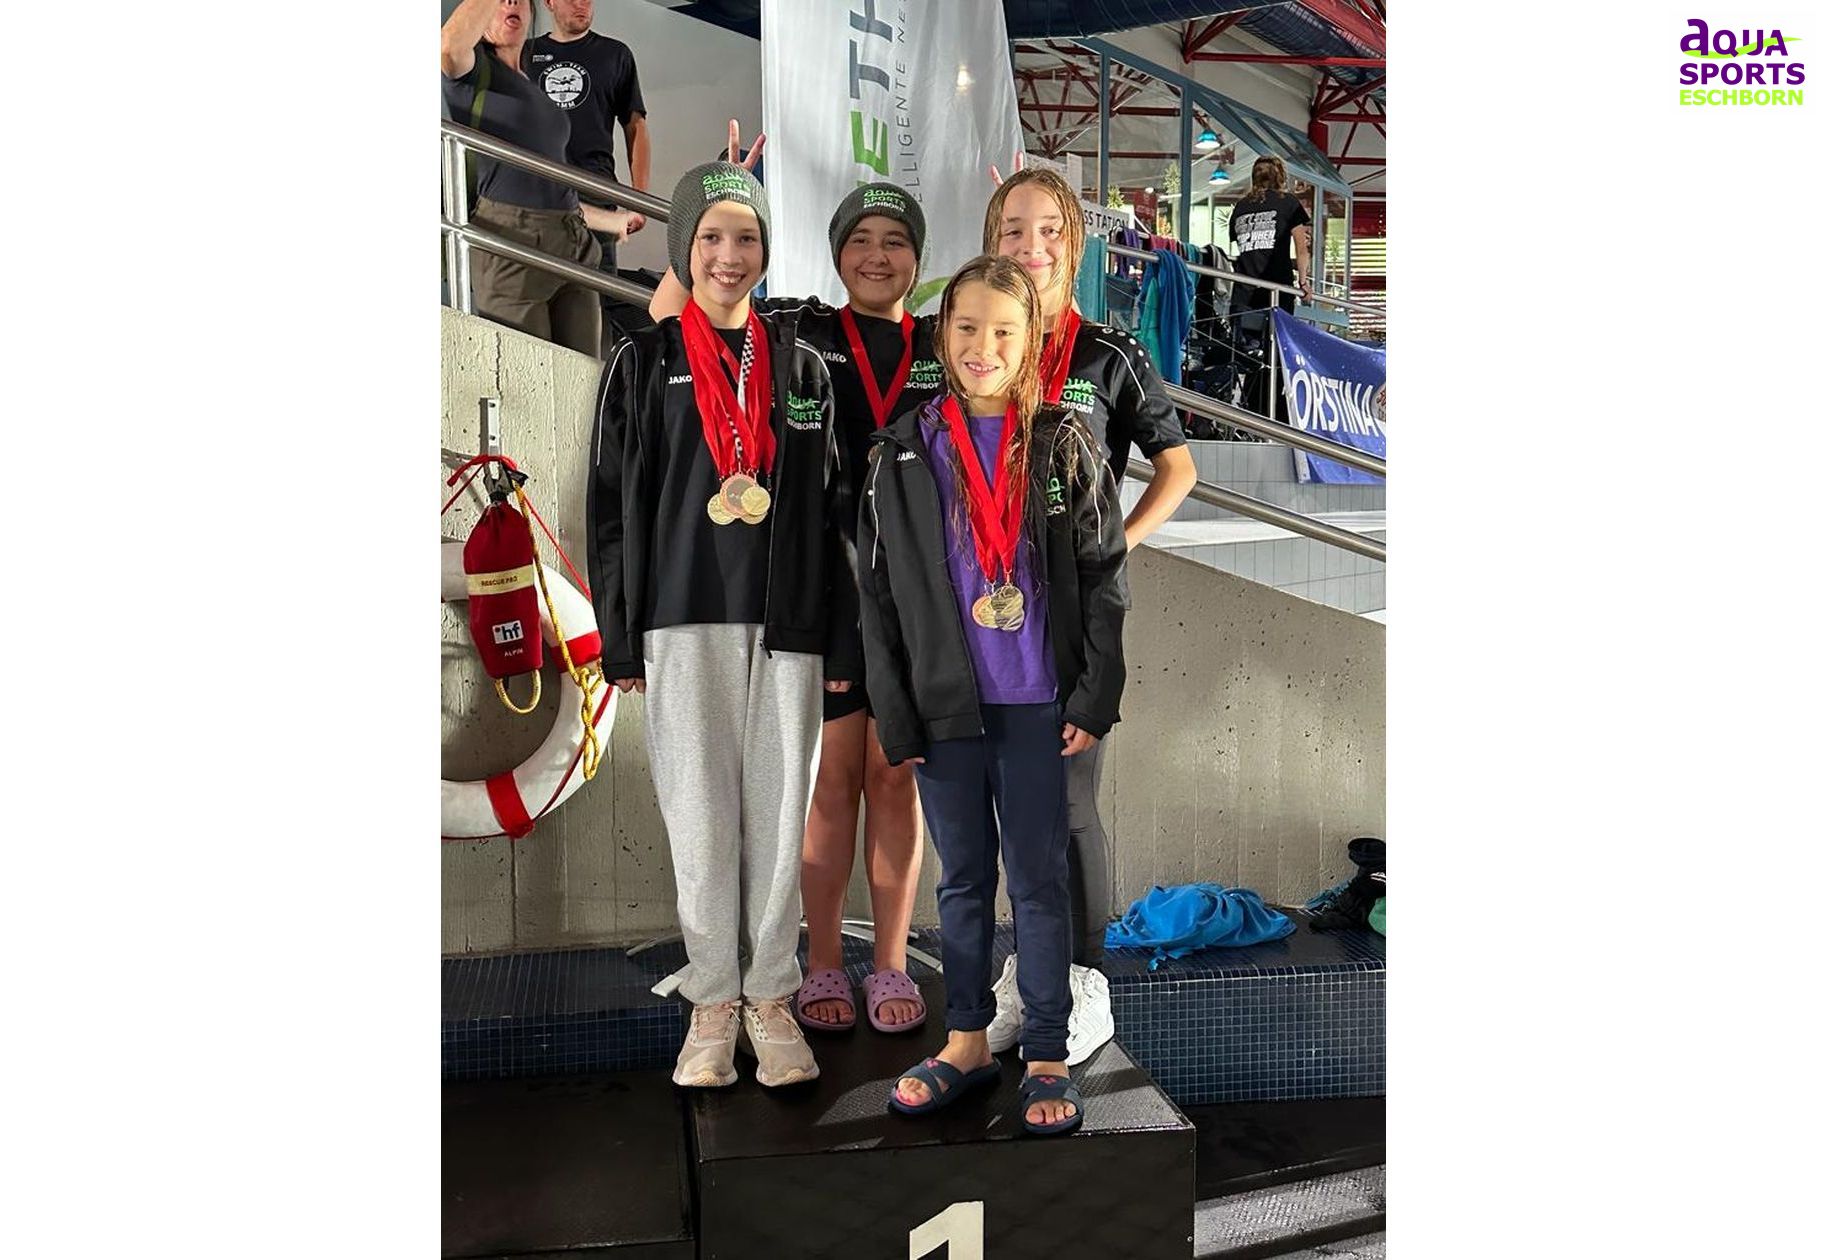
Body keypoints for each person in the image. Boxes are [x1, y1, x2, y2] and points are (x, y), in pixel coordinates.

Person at [586, 161, 861, 1090]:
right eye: (710, 237)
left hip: (787, 623)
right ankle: (711, 1001)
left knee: (780, 821)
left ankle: (771, 998)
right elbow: (609, 505)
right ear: (683, 247)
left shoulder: (802, 368)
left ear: (766, 249)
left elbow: (833, 510)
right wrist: (618, 636)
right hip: (679, 616)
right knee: (699, 819)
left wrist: (839, 635)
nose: (728, 255)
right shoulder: (642, 360)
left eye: (746, 237)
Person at [650, 179, 943, 1038]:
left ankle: (889, 963)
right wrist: (713, 196)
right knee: (827, 783)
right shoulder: (799, 333)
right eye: (860, 240)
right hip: (823, 591)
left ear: (918, 257)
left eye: (895, 240)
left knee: (896, 780)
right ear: (835, 252)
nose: (877, 256)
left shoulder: (943, 342)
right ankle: (819, 964)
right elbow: (683, 310)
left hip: (918, 596)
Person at [860, 255, 1128, 1135]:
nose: (983, 346)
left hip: (1038, 706)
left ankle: (1045, 1050)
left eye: (1004, 331)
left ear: (1031, 342)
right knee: (964, 881)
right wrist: (895, 711)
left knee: (1039, 882)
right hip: (945, 705)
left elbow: (1103, 573)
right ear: (942, 335)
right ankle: (967, 1040)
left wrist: (1093, 695)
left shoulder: (1062, 442)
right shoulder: (901, 451)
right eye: (967, 327)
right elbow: (876, 595)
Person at [982, 167, 1197, 1062]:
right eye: (1012, 229)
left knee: (1068, 802)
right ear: (991, 241)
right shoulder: (978, 341)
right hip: (990, 613)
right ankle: (1033, 971)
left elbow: (1178, 467)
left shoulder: (1109, 354)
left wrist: (1115, 546)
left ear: (1074, 244)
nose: (1030, 247)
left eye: (1048, 230)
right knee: (1011, 807)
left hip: (1075, 619)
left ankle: (1083, 983)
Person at [440, 0, 632, 356]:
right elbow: (448, 47)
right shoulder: (472, 75)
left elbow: (553, 187)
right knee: (528, 374)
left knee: (584, 376)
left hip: (571, 240)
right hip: (513, 245)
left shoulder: (530, 84)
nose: (510, 3)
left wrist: (611, 220)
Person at [527, 0, 651, 338]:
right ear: (550, 3)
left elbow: (635, 127)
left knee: (598, 310)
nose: (582, 4)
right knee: (538, 303)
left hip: (596, 195)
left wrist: (638, 199)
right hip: (538, 198)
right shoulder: (526, 54)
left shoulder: (615, 55)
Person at [1227, 155, 1313, 318]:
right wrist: (1303, 283)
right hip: (1277, 288)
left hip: (1244, 291)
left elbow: (1240, 244)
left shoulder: (1240, 207)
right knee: (1276, 333)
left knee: (1243, 333)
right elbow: (1301, 249)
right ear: (1280, 177)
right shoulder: (1289, 203)